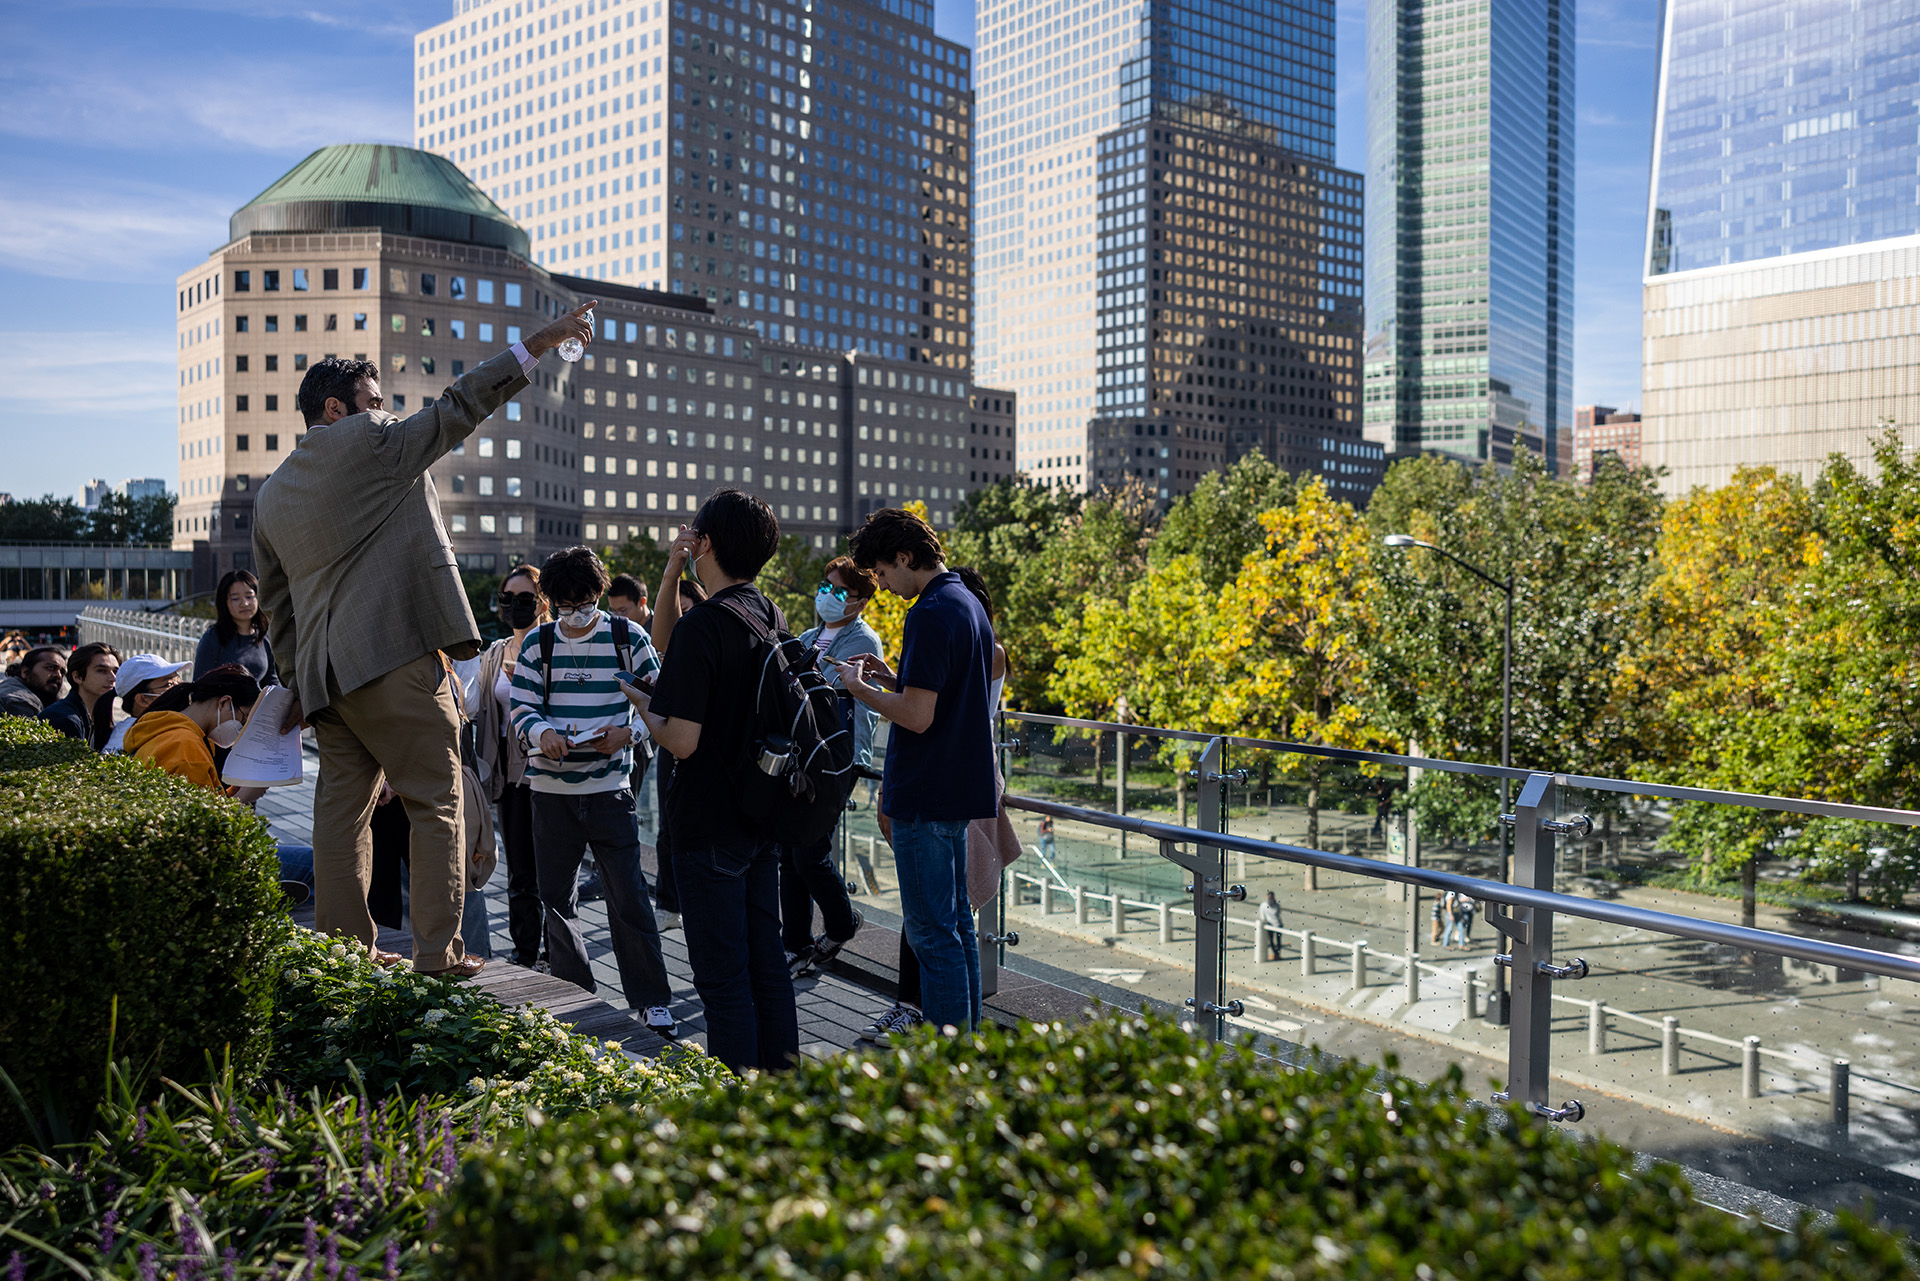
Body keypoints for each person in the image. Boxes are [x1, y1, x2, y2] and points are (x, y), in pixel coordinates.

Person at [252, 300, 597, 978]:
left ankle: (343, 955)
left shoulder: (271, 496)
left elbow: (277, 604)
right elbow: (457, 407)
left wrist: (297, 681)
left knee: (341, 816)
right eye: (373, 401)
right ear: (333, 409)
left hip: (328, 681)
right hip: (393, 658)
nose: (384, 411)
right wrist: (542, 343)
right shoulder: (371, 441)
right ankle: (438, 955)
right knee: (436, 800)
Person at [632, 489, 799, 1072]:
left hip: (707, 824)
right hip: (759, 813)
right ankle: (783, 1086)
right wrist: (676, 569)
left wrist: (642, 705)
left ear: (704, 542)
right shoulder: (767, 613)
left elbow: (681, 739)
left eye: (691, 538)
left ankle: (736, 1114)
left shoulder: (706, 623)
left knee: (723, 979)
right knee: (766, 963)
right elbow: (667, 643)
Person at [841, 507, 997, 1034]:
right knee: (955, 927)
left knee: (932, 934)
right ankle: (969, 1046)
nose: (882, 585)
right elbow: (938, 691)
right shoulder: (967, 602)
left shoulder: (928, 611)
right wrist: (893, 675)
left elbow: (918, 714)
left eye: (883, 572)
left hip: (926, 793)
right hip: (957, 788)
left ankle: (951, 1062)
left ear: (905, 557)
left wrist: (862, 690)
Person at [509, 545, 676, 1035]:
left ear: (599, 595)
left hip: (610, 789)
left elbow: (660, 700)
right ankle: (574, 995)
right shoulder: (539, 644)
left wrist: (631, 733)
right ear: (551, 602)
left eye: (583, 603)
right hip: (551, 791)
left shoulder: (627, 636)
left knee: (629, 896)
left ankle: (651, 999)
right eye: (564, 606)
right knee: (556, 900)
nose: (575, 614)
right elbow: (522, 706)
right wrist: (545, 735)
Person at [125, 664, 315, 898]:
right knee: (317, 865)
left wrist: (240, 788)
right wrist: (246, 797)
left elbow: (200, 806)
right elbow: (206, 834)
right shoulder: (185, 749)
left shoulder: (171, 730)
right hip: (196, 872)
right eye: (244, 721)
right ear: (224, 703)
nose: (241, 730)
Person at [782, 556, 880, 978]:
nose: (827, 595)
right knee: (790, 851)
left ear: (858, 602)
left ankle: (841, 923)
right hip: (801, 756)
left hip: (837, 759)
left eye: (839, 591)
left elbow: (853, 699)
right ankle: (797, 945)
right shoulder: (808, 636)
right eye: (826, 586)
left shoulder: (865, 641)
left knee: (809, 853)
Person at [471, 564, 548, 968]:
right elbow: (474, 706)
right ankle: (525, 954)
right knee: (519, 872)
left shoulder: (551, 648)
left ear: (542, 603)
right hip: (507, 776)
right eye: (507, 598)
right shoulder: (495, 652)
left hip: (545, 773)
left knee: (551, 871)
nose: (514, 606)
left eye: (524, 599)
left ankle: (558, 953)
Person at [646, 547, 710, 929]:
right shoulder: (669, 645)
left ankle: (691, 903)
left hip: (698, 742)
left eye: (687, 610)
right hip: (670, 740)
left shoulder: (705, 635)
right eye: (675, 610)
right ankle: (669, 905)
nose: (680, 618)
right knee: (668, 824)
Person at [194, 569, 279, 685]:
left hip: (259, 703)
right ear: (224, 603)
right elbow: (199, 684)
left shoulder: (263, 636)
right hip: (225, 702)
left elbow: (271, 680)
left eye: (249, 596)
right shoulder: (213, 637)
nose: (244, 603)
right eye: (235, 598)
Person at [93, 653, 189, 753]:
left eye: (178, 681)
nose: (179, 689)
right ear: (142, 699)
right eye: (169, 684)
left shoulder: (128, 729)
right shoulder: (148, 734)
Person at [39, 643, 118, 740]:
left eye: (115, 671)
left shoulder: (100, 716)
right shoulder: (64, 719)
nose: (113, 678)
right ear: (77, 677)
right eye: (102, 671)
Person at [0, 645, 65, 718]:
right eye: (51, 668)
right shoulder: (20, 702)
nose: (58, 675)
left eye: (62, 672)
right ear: (25, 672)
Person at [1259, 890, 1285, 961]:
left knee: (1272, 940)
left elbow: (1262, 917)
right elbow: (1278, 913)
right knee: (1277, 940)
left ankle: (1276, 953)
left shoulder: (1264, 905)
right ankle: (1277, 954)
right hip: (1277, 925)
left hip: (1271, 925)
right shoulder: (1276, 905)